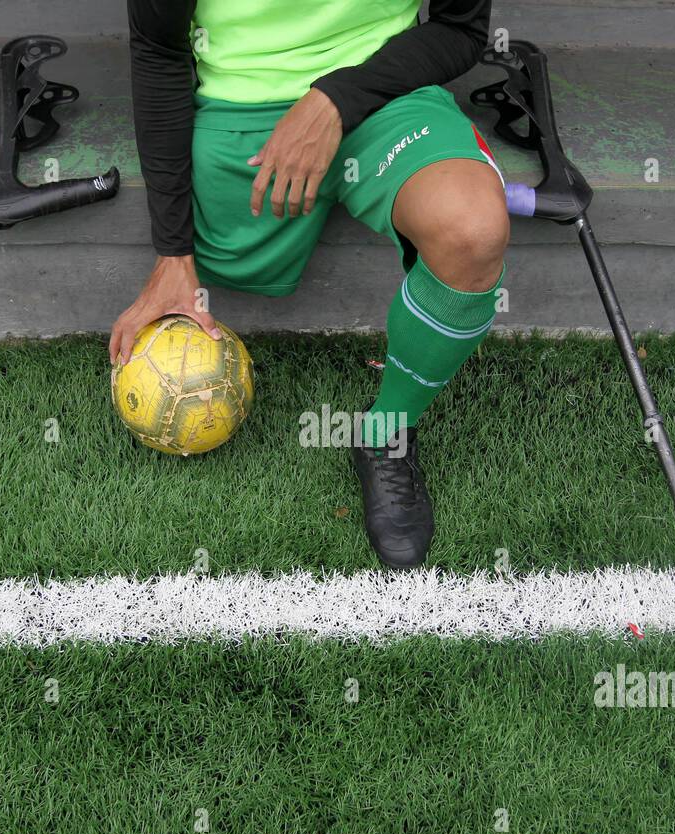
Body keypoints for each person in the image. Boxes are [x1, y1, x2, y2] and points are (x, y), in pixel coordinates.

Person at [112, 1, 508, 568]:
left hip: (384, 90)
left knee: (473, 231)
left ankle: (387, 430)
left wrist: (338, 98)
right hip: (239, 105)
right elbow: (158, 50)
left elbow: (460, 29)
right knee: (227, 259)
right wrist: (172, 252)